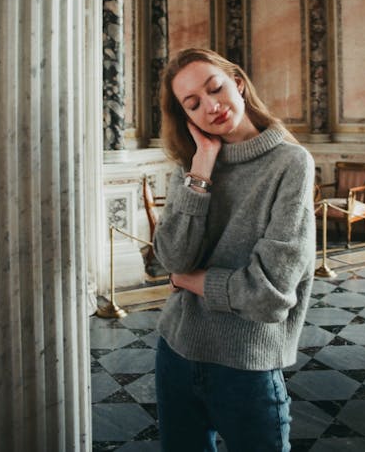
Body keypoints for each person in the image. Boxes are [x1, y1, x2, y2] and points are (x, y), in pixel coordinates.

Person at [153, 48, 316, 452]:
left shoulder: (290, 164)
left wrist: (187, 280)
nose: (211, 106)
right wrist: (202, 169)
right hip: (176, 350)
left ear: (238, 83)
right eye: (194, 104)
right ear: (187, 117)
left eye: (216, 88)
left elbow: (268, 297)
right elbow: (171, 258)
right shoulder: (191, 166)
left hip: (246, 365)